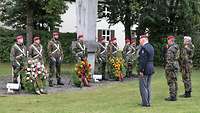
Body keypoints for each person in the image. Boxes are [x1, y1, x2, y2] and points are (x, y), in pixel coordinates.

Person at [138, 35, 154, 107]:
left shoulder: (144, 48)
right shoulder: (151, 46)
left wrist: (141, 70)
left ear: (143, 40)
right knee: (148, 86)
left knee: (143, 86)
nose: (139, 41)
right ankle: (148, 101)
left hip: (145, 68)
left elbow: (143, 61)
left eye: (140, 40)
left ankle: (145, 102)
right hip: (150, 67)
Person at [165, 36, 180, 101]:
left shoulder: (171, 49)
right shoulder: (177, 47)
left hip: (171, 66)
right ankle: (174, 95)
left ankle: (172, 96)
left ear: (170, 40)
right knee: (174, 80)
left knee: (171, 81)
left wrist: (168, 67)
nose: (167, 42)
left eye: (168, 41)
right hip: (176, 64)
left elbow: (169, 59)